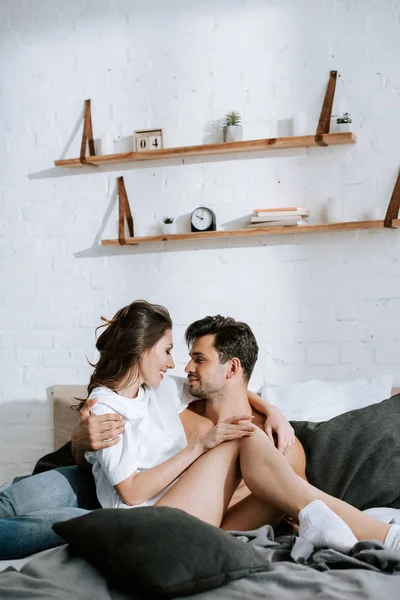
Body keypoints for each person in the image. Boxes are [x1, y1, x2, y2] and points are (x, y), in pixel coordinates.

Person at [1, 302, 399, 558]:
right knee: (15, 509)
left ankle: (362, 528)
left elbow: (257, 506)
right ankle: (382, 534)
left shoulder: (278, 441)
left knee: (246, 436)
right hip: (117, 495)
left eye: (196, 358)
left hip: (179, 522)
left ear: (231, 369)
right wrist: (79, 441)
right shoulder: (169, 395)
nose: (182, 367)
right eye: (176, 353)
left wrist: (271, 410)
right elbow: (125, 475)